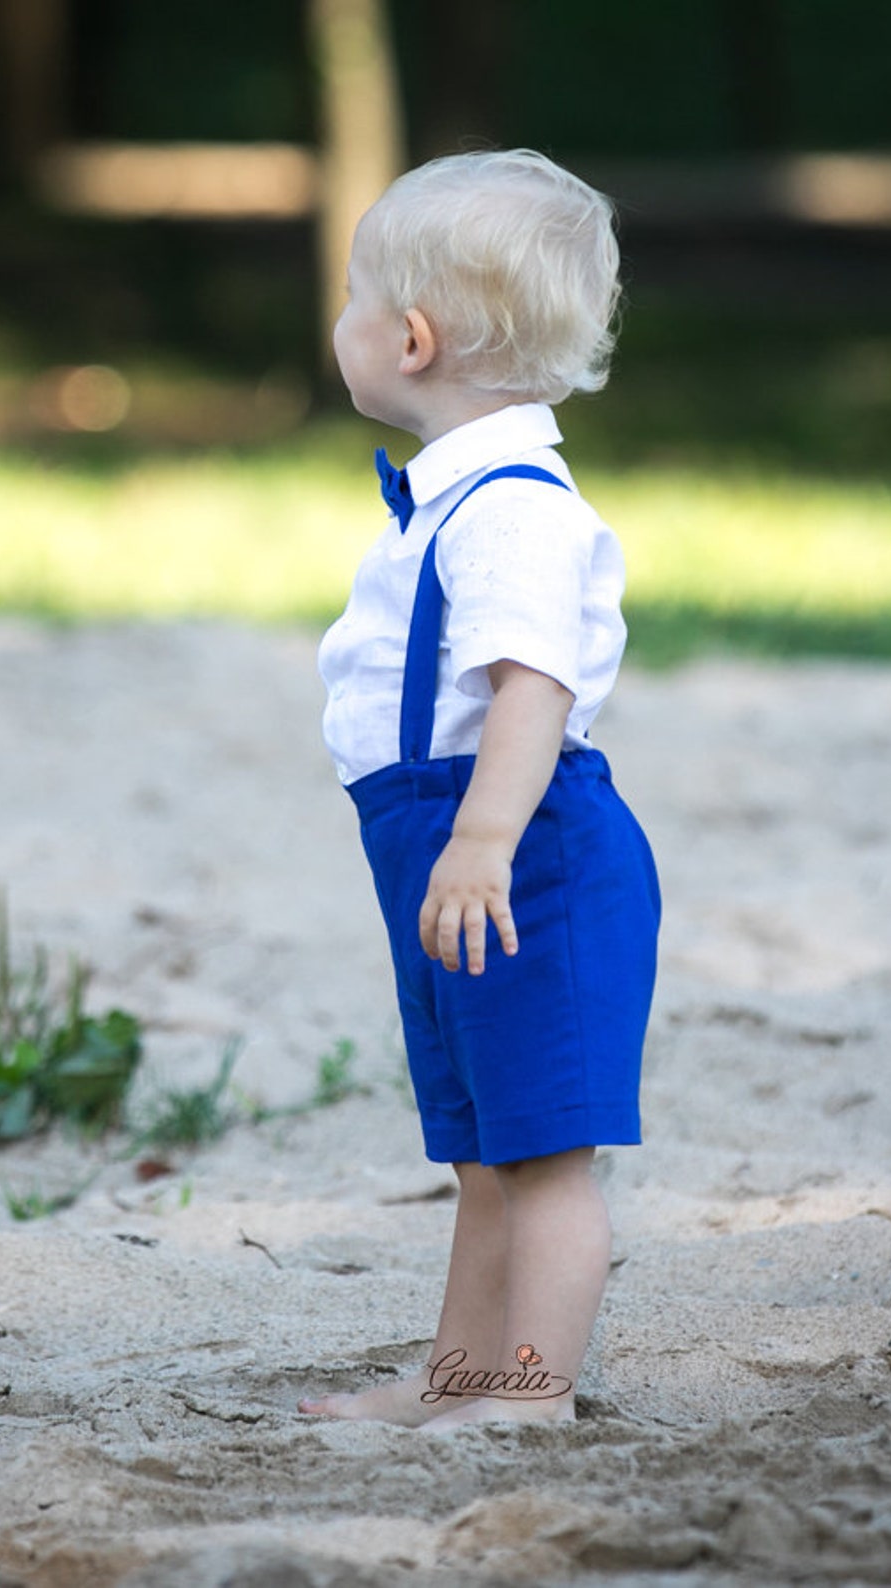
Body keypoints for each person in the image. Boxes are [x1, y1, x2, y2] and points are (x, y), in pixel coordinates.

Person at [299, 149, 661, 1430]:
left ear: (407, 337)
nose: (337, 321)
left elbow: (531, 687)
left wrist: (483, 838)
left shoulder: (510, 509)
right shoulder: (456, 497)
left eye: (349, 298)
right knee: (483, 1157)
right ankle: (456, 1378)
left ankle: (527, 1392)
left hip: (522, 856)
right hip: (451, 853)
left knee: (547, 1158)